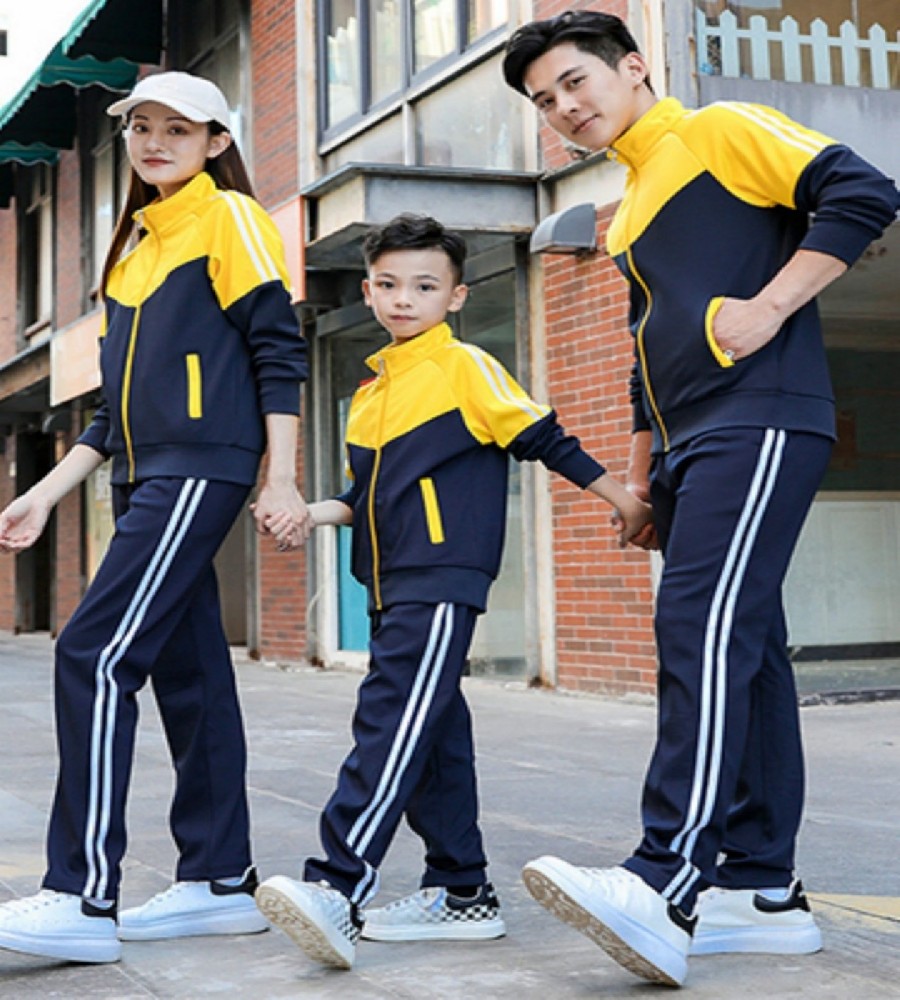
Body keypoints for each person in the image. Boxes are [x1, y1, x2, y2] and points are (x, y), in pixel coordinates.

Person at [502, 8, 900, 988]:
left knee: (700, 624)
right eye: (545, 101)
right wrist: (642, 476)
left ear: (635, 66)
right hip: (690, 443)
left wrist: (769, 308)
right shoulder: (630, 204)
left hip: (760, 415)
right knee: (745, 650)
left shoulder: (719, 131)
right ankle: (758, 890)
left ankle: (664, 875)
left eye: (575, 82)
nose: (564, 108)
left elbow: (863, 190)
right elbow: (648, 351)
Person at [254, 213, 653, 969]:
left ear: (456, 296)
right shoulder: (372, 392)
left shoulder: (464, 366)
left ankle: (337, 884)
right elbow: (362, 497)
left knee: (389, 722)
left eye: (425, 286)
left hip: (441, 577)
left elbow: (543, 436)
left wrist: (623, 500)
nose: (405, 299)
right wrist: (308, 514)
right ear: (368, 291)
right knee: (432, 737)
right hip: (389, 584)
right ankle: (461, 889)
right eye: (389, 284)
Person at [0, 71, 311, 965]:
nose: (156, 142)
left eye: (180, 129)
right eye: (143, 127)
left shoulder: (231, 218)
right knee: (192, 674)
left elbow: (278, 350)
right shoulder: (136, 250)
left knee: (93, 654)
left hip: (199, 470)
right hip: (142, 477)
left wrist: (281, 478)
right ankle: (221, 881)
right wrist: (44, 492)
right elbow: (112, 412)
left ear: (218, 142)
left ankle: (81, 894)